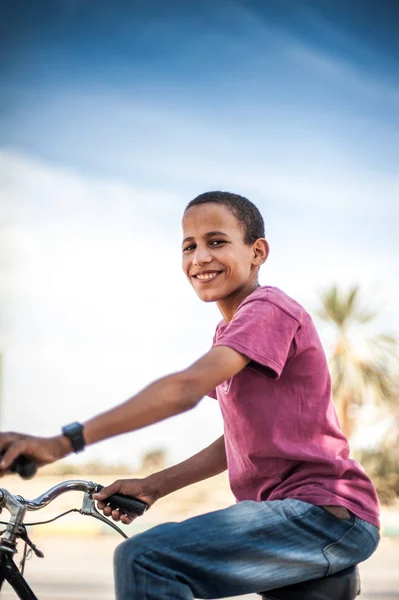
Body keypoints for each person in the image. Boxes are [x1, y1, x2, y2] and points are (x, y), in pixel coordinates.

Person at [0, 191, 380, 599]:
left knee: (144, 559)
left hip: (325, 513)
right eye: (189, 246)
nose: (199, 258)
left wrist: (63, 442)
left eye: (216, 242)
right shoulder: (230, 332)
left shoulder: (269, 308)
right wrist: (155, 485)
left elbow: (183, 389)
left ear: (257, 252)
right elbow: (237, 440)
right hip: (290, 512)